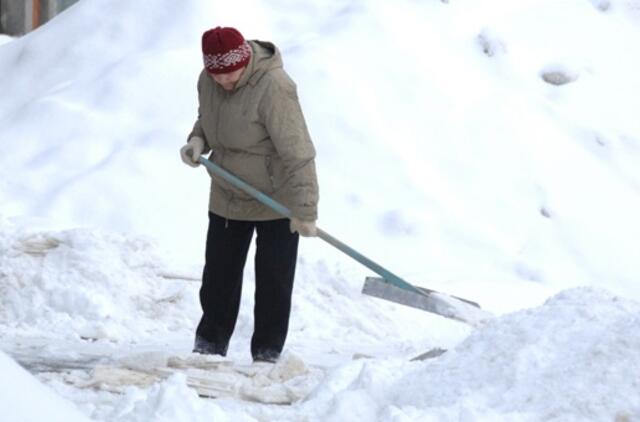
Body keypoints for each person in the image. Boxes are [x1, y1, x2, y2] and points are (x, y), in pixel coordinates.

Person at [179, 26, 319, 363]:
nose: (224, 83)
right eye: (217, 76)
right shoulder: (207, 80)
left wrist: (305, 209)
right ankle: (209, 347)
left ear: (245, 61)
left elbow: (298, 151)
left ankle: (267, 354)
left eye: (231, 75)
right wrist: (198, 140)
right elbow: (208, 119)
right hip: (229, 193)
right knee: (218, 279)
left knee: (273, 282)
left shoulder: (275, 87)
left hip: (276, 199)